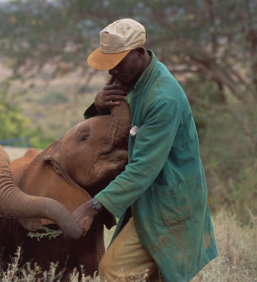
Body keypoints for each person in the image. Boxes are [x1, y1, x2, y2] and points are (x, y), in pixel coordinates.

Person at [72, 18, 218, 282]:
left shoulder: (162, 98)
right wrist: (99, 107)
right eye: (109, 65)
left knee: (114, 271)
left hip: (168, 202)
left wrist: (91, 208)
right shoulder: (132, 81)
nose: (112, 72)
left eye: (118, 63)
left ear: (140, 52)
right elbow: (113, 134)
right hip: (146, 197)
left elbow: (142, 168)